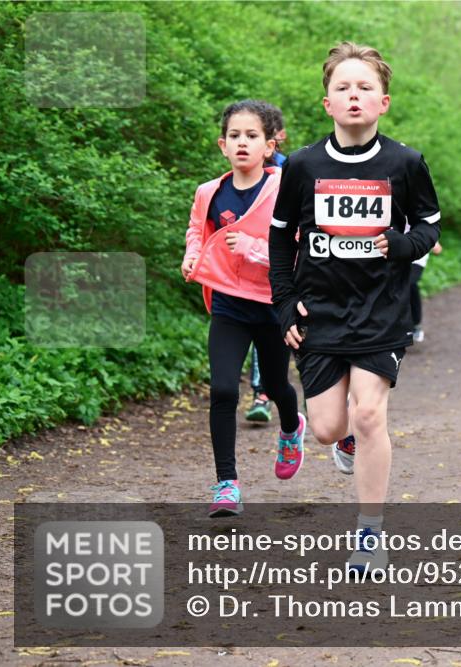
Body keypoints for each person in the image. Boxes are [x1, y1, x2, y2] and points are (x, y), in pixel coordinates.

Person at [268, 41, 441, 571]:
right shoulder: (302, 165)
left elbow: (429, 225)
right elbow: (280, 238)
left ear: (383, 101)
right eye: (342, 87)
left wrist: (403, 245)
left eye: (365, 87)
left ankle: (370, 534)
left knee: (369, 413)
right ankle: (342, 441)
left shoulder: (405, 162)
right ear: (328, 103)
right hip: (319, 313)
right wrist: (284, 303)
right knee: (326, 427)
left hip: (381, 311)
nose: (354, 95)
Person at [181, 100, 305, 518]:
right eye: (234, 135)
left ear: (270, 146)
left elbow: (300, 250)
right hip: (229, 305)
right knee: (222, 389)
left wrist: (253, 248)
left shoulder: (285, 189)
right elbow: (198, 231)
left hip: (272, 305)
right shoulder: (209, 192)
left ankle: (291, 426)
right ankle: (227, 484)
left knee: (276, 385)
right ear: (222, 144)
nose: (242, 143)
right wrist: (192, 257)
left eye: (252, 136)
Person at [246, 101, 290, 424]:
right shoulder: (242, 173)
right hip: (253, 275)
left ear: (278, 137)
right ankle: (261, 394)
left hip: (288, 271)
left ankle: (324, 395)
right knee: (260, 335)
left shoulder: (292, 169)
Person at [408, 235, 443, 343]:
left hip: (417, 259)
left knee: (411, 284)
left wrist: (433, 241)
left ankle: (416, 325)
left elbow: (438, 249)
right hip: (398, 257)